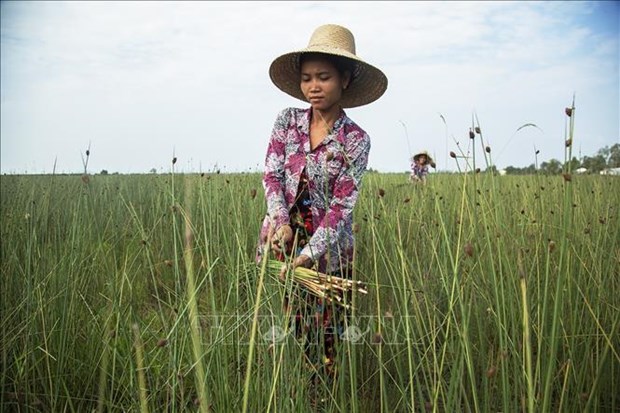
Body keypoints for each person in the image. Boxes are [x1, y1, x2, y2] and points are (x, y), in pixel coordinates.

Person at [256, 24, 387, 380]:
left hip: (328, 251)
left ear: (345, 79)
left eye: (324, 77)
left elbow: (342, 206)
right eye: (307, 78)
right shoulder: (287, 121)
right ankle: (290, 387)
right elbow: (272, 176)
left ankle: (322, 394)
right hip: (282, 242)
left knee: (327, 331)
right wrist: (281, 222)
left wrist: (309, 254)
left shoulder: (355, 139)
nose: (313, 86)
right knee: (288, 322)